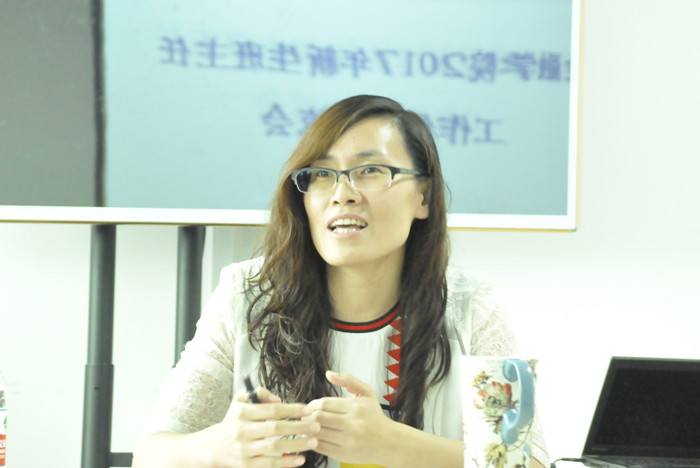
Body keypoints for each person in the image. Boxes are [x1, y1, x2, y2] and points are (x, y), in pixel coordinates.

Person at [132, 95, 548, 468]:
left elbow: (526, 462)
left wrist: (394, 445)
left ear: (423, 196)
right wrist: (220, 447)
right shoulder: (244, 295)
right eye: (322, 174)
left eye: (371, 170)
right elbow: (150, 455)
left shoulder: (475, 305)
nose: (342, 193)